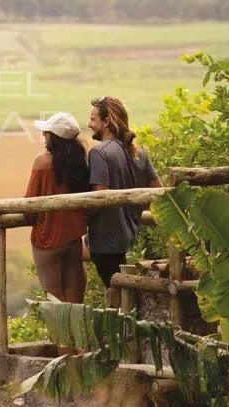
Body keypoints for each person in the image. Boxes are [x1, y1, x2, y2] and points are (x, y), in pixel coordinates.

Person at [85, 96, 161, 288]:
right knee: (122, 291)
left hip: (105, 240)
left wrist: (78, 215)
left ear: (107, 121)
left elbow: (98, 198)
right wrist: (135, 211)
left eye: (93, 119)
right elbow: (158, 190)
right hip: (128, 235)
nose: (89, 124)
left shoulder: (99, 153)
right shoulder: (138, 152)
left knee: (117, 295)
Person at [24, 112, 91, 303]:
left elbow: (30, 203)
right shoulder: (80, 162)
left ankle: (59, 333)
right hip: (73, 237)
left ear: (54, 137)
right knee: (74, 295)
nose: (44, 136)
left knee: (54, 296)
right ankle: (76, 332)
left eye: (47, 133)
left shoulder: (42, 162)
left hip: (48, 238)